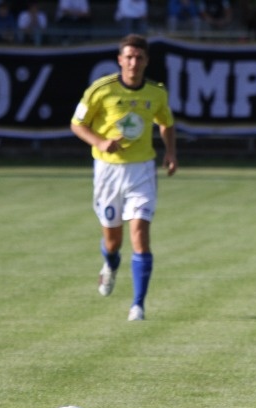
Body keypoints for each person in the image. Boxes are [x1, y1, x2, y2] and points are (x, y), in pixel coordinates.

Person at [70, 34, 177, 322]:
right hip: (107, 171)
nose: (133, 62)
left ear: (146, 61)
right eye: (128, 56)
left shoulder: (156, 92)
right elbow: (77, 123)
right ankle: (110, 263)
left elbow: (166, 123)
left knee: (140, 234)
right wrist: (100, 142)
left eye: (139, 57)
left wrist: (170, 153)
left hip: (141, 170)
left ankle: (138, 306)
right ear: (120, 60)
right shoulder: (101, 89)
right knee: (113, 241)